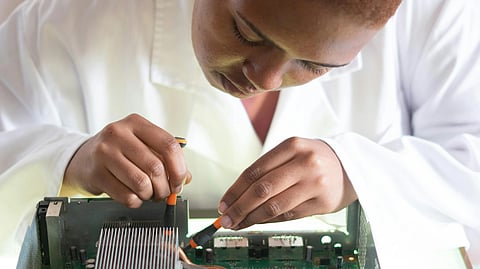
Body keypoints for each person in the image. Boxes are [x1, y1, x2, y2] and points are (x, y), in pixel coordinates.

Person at [0, 0, 479, 268]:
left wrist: (360, 172)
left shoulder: (431, 12)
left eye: (315, 64)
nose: (265, 78)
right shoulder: (61, 25)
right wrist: (69, 159)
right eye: (248, 34)